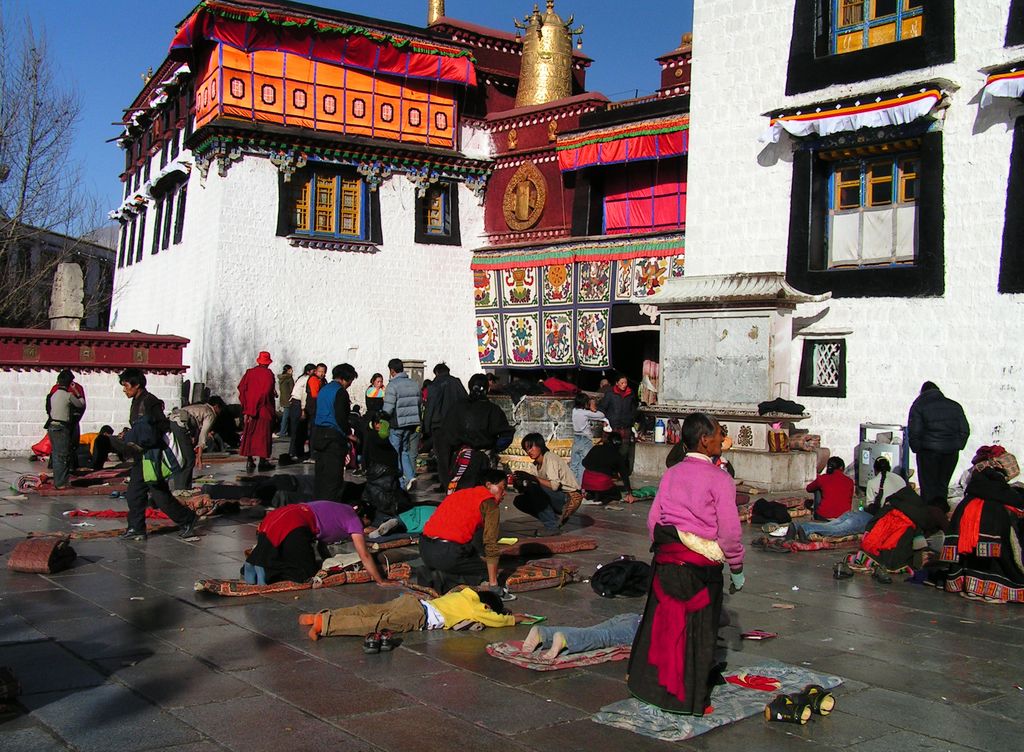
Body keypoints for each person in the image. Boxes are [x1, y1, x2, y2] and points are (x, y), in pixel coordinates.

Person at [628, 412, 744, 716]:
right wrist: (737, 566)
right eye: (719, 433)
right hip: (700, 568)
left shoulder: (672, 474)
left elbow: (654, 521)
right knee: (698, 633)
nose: (722, 438)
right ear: (705, 441)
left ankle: (649, 688)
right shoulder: (720, 478)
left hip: (667, 561)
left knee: (664, 625)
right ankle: (687, 698)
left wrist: (665, 549)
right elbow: (730, 532)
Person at [117, 368, 197, 540]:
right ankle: (136, 528)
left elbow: (161, 426)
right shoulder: (137, 400)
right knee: (134, 493)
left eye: (126, 385)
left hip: (152, 455)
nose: (124, 389)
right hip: (141, 455)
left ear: (136, 385)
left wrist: (143, 436)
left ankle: (187, 518)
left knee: (160, 495)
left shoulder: (150, 401)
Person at [243, 500, 396, 586]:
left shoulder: (342, 508)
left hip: (279, 515)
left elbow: (321, 542)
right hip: (295, 524)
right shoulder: (354, 520)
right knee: (305, 574)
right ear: (364, 517)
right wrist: (380, 580)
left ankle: (254, 562)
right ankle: (267, 569)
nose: (364, 528)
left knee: (274, 547)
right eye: (366, 524)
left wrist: (325, 561)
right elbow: (364, 555)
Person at [299, 586, 527, 641]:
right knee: (374, 624)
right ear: (486, 606)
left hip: (412, 601)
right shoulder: (477, 608)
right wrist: (514, 617)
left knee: (368, 609)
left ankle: (317, 615)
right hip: (417, 615)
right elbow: (497, 621)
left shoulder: (464, 594)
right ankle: (324, 624)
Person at [941, 459, 1024, 603]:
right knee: (998, 560)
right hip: (993, 539)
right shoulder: (1001, 493)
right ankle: (993, 592)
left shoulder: (969, 498)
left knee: (971, 560)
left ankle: (973, 589)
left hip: (968, 545)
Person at [417, 469, 509, 595]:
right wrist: (493, 584)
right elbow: (491, 544)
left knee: (469, 556)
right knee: (486, 571)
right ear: (488, 485)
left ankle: (439, 571)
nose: (504, 494)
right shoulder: (489, 503)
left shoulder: (461, 493)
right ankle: (443, 579)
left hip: (424, 548)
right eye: (502, 488)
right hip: (447, 553)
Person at [783, 456, 906, 541]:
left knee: (835, 524)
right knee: (838, 528)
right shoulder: (900, 480)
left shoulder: (873, 482)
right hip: (873, 517)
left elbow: (868, 505)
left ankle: (801, 526)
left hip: (858, 513)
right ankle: (805, 528)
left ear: (875, 469)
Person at [442, 373, 514, 493]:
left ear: (470, 387)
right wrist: (494, 448)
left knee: (461, 495)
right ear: (487, 389)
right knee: (483, 496)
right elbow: (506, 435)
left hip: (462, 459)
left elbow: (446, 434)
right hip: (484, 459)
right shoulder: (493, 410)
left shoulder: (456, 408)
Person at [908, 381, 970, 511]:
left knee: (928, 486)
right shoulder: (954, 406)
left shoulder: (919, 406)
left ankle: (929, 516)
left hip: (928, 452)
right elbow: (965, 430)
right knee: (943, 484)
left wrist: (917, 448)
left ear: (922, 392)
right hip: (951, 452)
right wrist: (958, 445)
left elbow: (914, 431)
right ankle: (941, 513)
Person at [511, 433, 583, 534]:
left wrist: (532, 478)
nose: (529, 451)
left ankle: (552, 526)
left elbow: (554, 486)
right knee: (520, 501)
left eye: (531, 447)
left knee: (534, 487)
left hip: (569, 497)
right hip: (556, 496)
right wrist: (518, 482)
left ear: (540, 445)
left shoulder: (550, 458)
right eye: (526, 449)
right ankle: (554, 520)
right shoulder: (535, 465)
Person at [311, 363, 357, 503]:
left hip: (318, 434)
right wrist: (348, 433)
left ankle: (318, 504)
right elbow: (340, 416)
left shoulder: (324, 389)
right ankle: (330, 507)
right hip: (333, 437)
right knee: (333, 477)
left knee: (321, 474)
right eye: (350, 381)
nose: (349, 385)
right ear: (345, 379)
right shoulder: (340, 392)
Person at [423, 362, 468, 491]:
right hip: (457, 426)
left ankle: (445, 484)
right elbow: (465, 401)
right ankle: (455, 483)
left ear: (436, 372)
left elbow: (430, 407)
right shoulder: (457, 383)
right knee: (455, 457)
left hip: (440, 427)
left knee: (443, 459)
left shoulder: (434, 385)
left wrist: (426, 428)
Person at [521, 613, 641, 661]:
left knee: (591, 632)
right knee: (606, 637)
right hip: (638, 628)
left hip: (631, 617)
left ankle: (545, 633)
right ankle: (566, 639)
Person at [382, 358, 421, 492]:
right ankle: (410, 476)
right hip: (411, 424)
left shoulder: (393, 385)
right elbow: (419, 401)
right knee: (404, 451)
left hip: (397, 424)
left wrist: (382, 417)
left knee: (395, 453)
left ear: (392, 370)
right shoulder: (413, 383)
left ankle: (400, 482)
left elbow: (388, 408)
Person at [360, 410, 410, 517]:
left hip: (385, 475)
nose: (381, 426)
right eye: (379, 423)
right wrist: (384, 430)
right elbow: (377, 444)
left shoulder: (379, 436)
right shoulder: (374, 435)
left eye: (384, 423)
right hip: (380, 474)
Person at [45, 370, 86, 489]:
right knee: (63, 456)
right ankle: (61, 482)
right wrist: (77, 392)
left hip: (52, 426)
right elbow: (81, 404)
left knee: (57, 454)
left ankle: (59, 480)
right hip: (62, 427)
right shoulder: (68, 395)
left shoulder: (53, 394)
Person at [168, 401, 222, 490]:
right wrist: (199, 456)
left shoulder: (201, 407)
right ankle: (183, 488)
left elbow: (197, 428)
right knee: (189, 459)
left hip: (173, 422)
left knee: (181, 457)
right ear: (216, 406)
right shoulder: (210, 413)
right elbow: (203, 434)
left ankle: (180, 486)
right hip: (180, 424)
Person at [238, 351, 277, 474]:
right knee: (263, 435)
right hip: (263, 409)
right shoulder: (268, 374)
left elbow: (242, 388)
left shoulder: (250, 373)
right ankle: (263, 460)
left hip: (250, 410)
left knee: (250, 434)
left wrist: (247, 405)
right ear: (268, 363)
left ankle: (249, 460)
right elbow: (265, 392)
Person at [581, 430, 635, 504]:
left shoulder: (596, 448)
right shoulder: (617, 455)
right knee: (616, 494)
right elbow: (624, 475)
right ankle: (603, 498)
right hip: (601, 483)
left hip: (586, 482)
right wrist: (629, 493)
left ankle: (591, 494)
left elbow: (584, 463)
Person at [599, 374, 637, 474]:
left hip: (625, 425)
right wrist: (604, 421)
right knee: (610, 449)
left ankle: (620, 469)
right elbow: (602, 407)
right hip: (613, 426)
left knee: (624, 450)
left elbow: (634, 408)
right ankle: (610, 470)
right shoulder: (610, 394)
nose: (624, 385)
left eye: (626, 383)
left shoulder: (630, 393)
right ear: (617, 383)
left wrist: (631, 420)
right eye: (622, 383)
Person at [570, 393, 606, 483]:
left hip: (576, 438)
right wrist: (593, 408)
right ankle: (580, 485)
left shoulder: (574, 410)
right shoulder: (585, 413)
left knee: (574, 464)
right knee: (583, 464)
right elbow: (601, 415)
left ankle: (573, 485)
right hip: (585, 439)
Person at [288, 363, 316, 460]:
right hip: (298, 405)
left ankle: (296, 452)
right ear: (309, 371)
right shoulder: (307, 379)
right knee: (298, 430)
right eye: (314, 370)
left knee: (298, 430)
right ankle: (294, 452)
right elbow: (304, 395)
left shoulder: (301, 378)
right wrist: (303, 409)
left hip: (294, 404)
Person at [306, 363, 327, 428]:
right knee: (313, 425)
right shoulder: (313, 379)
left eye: (323, 372)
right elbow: (315, 394)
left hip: (318, 405)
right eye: (319, 371)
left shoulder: (323, 380)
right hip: (313, 406)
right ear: (316, 371)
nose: (321, 373)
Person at [277, 364, 294, 436]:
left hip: (283, 398)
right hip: (289, 399)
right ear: (288, 370)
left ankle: (284, 431)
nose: (292, 370)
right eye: (291, 369)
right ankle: (283, 431)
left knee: (286, 415)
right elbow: (292, 389)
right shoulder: (289, 378)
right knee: (286, 416)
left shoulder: (281, 378)